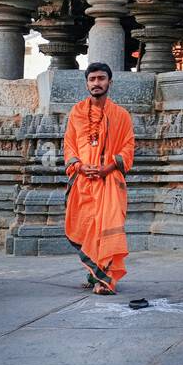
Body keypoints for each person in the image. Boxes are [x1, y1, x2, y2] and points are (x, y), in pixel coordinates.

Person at [63, 62, 134, 294]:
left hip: (110, 182)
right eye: (92, 79)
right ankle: (95, 274)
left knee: (108, 226)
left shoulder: (121, 115)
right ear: (87, 83)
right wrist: (80, 167)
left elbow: (128, 147)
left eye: (101, 79)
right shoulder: (76, 112)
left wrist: (107, 167)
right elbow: (69, 145)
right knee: (87, 229)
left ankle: (107, 280)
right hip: (83, 181)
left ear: (109, 82)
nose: (96, 83)